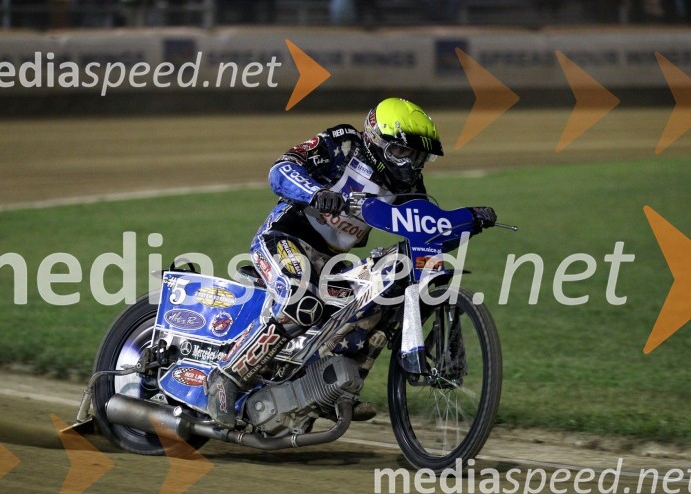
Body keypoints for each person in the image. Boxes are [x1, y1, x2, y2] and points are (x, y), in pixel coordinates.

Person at [203, 98, 497, 428]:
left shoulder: (410, 186)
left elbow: (425, 233)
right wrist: (315, 193)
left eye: (418, 156)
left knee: (383, 296)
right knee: (303, 302)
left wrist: (466, 223)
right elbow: (280, 169)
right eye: (402, 152)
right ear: (376, 139)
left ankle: (330, 389)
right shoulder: (344, 143)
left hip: (333, 262)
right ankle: (225, 378)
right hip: (284, 238)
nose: (410, 165)